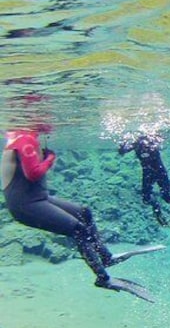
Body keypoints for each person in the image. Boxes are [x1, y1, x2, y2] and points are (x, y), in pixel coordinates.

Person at [2, 129, 160, 302]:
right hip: (25, 205)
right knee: (78, 229)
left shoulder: (24, 139)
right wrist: (50, 158)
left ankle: (106, 257)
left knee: (84, 212)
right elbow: (33, 174)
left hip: (38, 198)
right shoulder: (24, 139)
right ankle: (103, 278)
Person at [119, 133, 170, 231]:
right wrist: (122, 146)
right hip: (148, 173)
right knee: (146, 198)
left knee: (166, 197)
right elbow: (123, 151)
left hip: (160, 172)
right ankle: (157, 208)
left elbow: (161, 140)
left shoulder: (151, 140)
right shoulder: (136, 144)